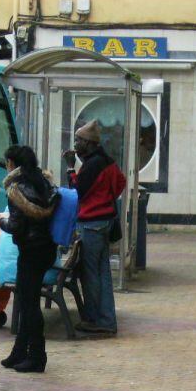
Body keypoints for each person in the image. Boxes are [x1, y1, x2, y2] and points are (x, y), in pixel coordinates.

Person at [0, 145, 58, 373]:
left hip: (31, 250)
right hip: (46, 248)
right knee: (26, 300)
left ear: (12, 164)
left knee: (29, 304)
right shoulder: (43, 183)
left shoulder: (17, 190)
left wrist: (0, 222)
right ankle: (19, 351)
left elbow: (16, 225)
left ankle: (37, 356)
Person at [63, 120, 126, 335]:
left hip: (92, 224)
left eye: (79, 140)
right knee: (103, 272)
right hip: (106, 221)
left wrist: (71, 167)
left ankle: (96, 319)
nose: (76, 144)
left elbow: (77, 189)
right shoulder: (107, 161)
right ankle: (107, 319)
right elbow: (121, 182)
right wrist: (106, 197)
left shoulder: (92, 164)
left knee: (90, 274)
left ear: (89, 143)